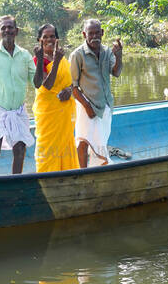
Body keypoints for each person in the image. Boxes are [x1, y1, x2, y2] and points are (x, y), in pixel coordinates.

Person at [0, 15, 38, 174]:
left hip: (18, 110)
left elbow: (37, 83)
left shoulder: (24, 55)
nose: (7, 30)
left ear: (16, 31)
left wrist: (39, 59)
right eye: (3, 28)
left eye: (10, 27)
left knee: (20, 150)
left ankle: (15, 183)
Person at [69, 19, 122, 168]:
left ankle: (97, 169)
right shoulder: (77, 55)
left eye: (97, 33)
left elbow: (116, 72)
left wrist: (119, 56)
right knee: (83, 140)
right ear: (84, 34)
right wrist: (87, 106)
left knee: (101, 142)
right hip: (86, 105)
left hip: (105, 105)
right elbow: (72, 86)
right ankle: (82, 172)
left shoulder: (107, 52)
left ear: (102, 33)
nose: (94, 37)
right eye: (90, 33)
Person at [32, 24, 78, 172]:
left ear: (57, 38)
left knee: (65, 143)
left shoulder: (62, 58)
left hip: (64, 112)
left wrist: (69, 90)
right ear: (39, 40)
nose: (49, 40)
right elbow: (47, 85)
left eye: (52, 36)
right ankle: (47, 174)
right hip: (48, 113)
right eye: (45, 37)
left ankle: (67, 173)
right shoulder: (38, 60)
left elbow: (71, 81)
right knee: (48, 145)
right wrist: (56, 61)